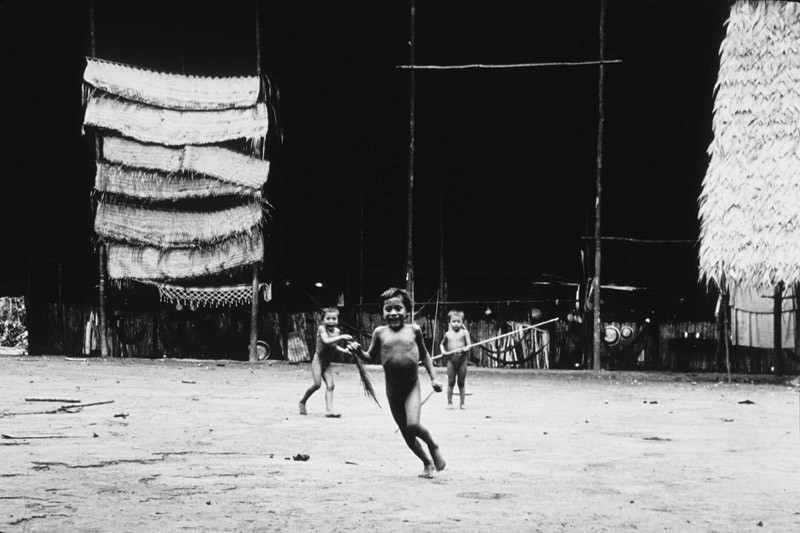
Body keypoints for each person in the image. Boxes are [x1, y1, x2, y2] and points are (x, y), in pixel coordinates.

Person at [349, 287, 446, 478]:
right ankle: (426, 462)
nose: (393, 313)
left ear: (407, 310)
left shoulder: (414, 330)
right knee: (406, 433)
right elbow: (369, 357)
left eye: (398, 308)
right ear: (382, 312)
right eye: (388, 309)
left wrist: (434, 377)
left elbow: (425, 355)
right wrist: (358, 351)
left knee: (413, 425)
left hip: (412, 388)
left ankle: (433, 445)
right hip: (392, 391)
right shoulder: (379, 333)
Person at [299, 307, 352, 418]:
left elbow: (333, 345)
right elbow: (327, 341)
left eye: (334, 318)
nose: (331, 321)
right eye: (328, 318)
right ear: (323, 320)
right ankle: (302, 402)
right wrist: (342, 337)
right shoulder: (321, 329)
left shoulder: (337, 331)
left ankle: (329, 410)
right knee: (317, 384)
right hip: (318, 361)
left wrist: (344, 350)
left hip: (327, 363)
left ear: (337, 320)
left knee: (331, 386)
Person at [439, 309, 471, 409]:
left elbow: (469, 345)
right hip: (451, 361)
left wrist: (464, 349)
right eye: (454, 321)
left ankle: (462, 403)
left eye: (459, 321)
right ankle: (449, 403)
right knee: (451, 381)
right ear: (449, 322)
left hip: (462, 361)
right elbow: (441, 344)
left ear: (462, 322)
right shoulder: (447, 334)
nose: (456, 324)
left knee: (461, 382)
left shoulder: (465, 332)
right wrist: (443, 351)